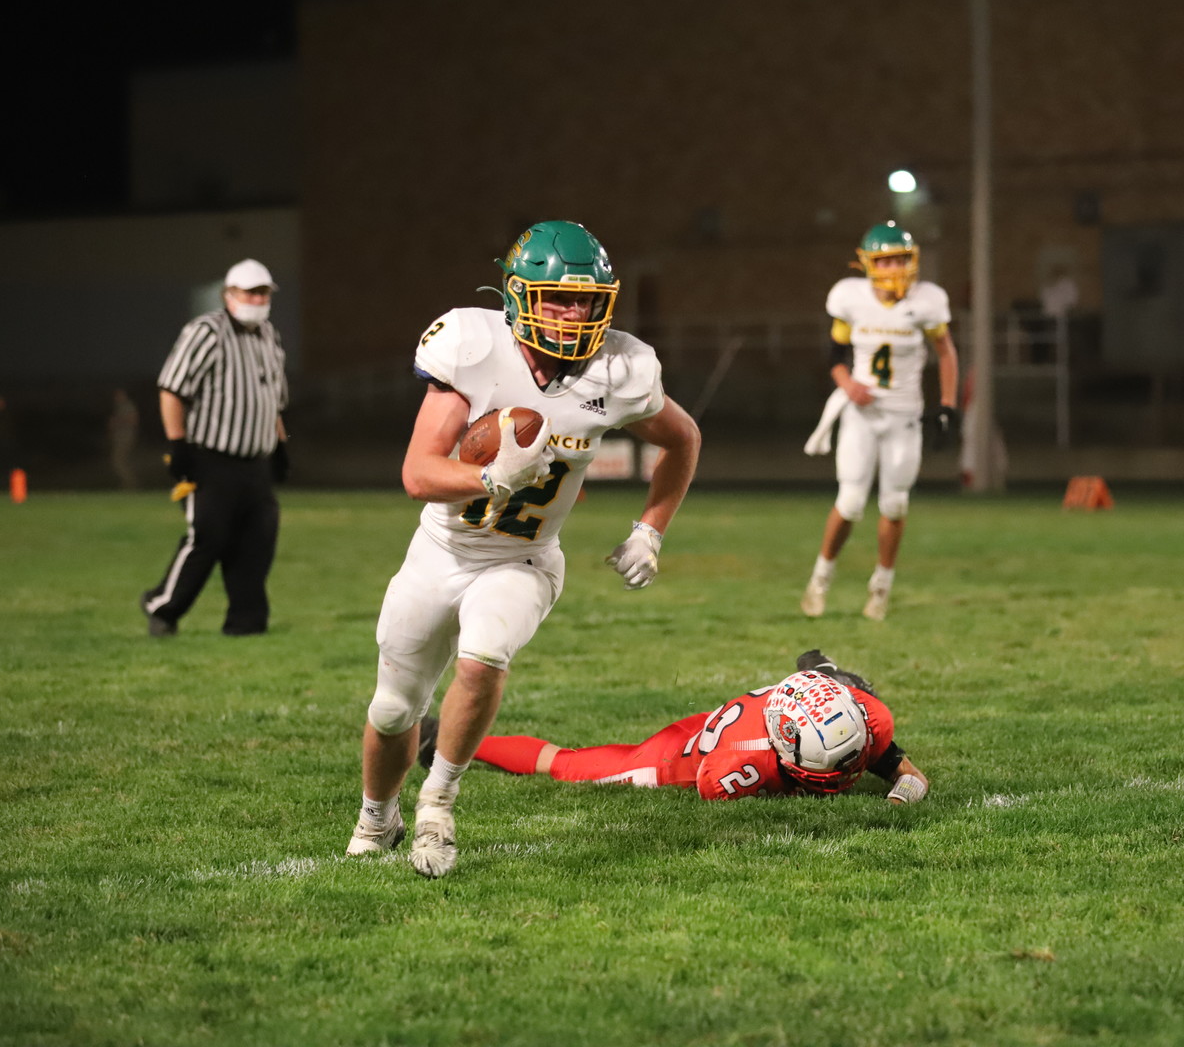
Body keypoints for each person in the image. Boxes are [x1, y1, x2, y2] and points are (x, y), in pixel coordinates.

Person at [345, 220, 702, 878]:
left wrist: (651, 528)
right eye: (557, 298)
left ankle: (438, 807)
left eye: (586, 300)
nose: (573, 314)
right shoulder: (474, 347)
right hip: (441, 550)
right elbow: (418, 473)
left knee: (482, 658)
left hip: (525, 558)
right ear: (516, 295)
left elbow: (683, 439)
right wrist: (485, 475)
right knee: (395, 709)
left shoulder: (621, 368)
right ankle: (377, 818)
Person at [417, 650, 930, 804]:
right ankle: (447, 737)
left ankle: (822, 666)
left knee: (839, 677)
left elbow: (911, 776)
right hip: (685, 756)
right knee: (568, 765)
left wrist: (899, 796)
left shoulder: (866, 717)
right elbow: (710, 784)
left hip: (734, 717)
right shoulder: (741, 766)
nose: (851, 771)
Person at [801, 222, 958, 621]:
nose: (895, 267)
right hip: (862, 413)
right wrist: (847, 384)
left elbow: (947, 353)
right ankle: (820, 578)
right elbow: (834, 357)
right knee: (850, 502)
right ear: (868, 263)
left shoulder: (926, 301)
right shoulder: (850, 298)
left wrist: (947, 405)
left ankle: (881, 587)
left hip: (904, 415)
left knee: (895, 502)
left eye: (902, 259)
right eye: (886, 259)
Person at [139, 258, 290, 638]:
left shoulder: (269, 335)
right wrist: (177, 444)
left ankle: (246, 622)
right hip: (212, 458)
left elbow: (271, 398)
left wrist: (281, 445)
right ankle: (163, 607)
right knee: (207, 537)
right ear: (229, 294)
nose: (257, 299)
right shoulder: (206, 331)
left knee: (258, 540)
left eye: (263, 293)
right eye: (249, 292)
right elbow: (172, 388)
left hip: (254, 462)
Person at [107, 387, 140, 490]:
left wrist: (116, 421)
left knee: (118, 460)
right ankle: (128, 484)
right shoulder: (119, 406)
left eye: (118, 394)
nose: (116, 397)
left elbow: (133, 420)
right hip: (119, 437)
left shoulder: (128, 405)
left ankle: (131, 483)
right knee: (121, 460)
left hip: (126, 437)